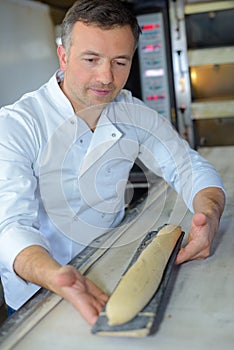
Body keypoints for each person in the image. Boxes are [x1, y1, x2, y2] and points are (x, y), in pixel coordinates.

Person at [0, 0, 225, 325]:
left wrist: (210, 216)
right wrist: (56, 276)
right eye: (91, 60)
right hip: (40, 290)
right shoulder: (18, 125)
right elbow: (10, 226)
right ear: (63, 56)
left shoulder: (129, 111)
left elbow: (186, 166)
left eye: (120, 62)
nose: (106, 77)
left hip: (115, 272)